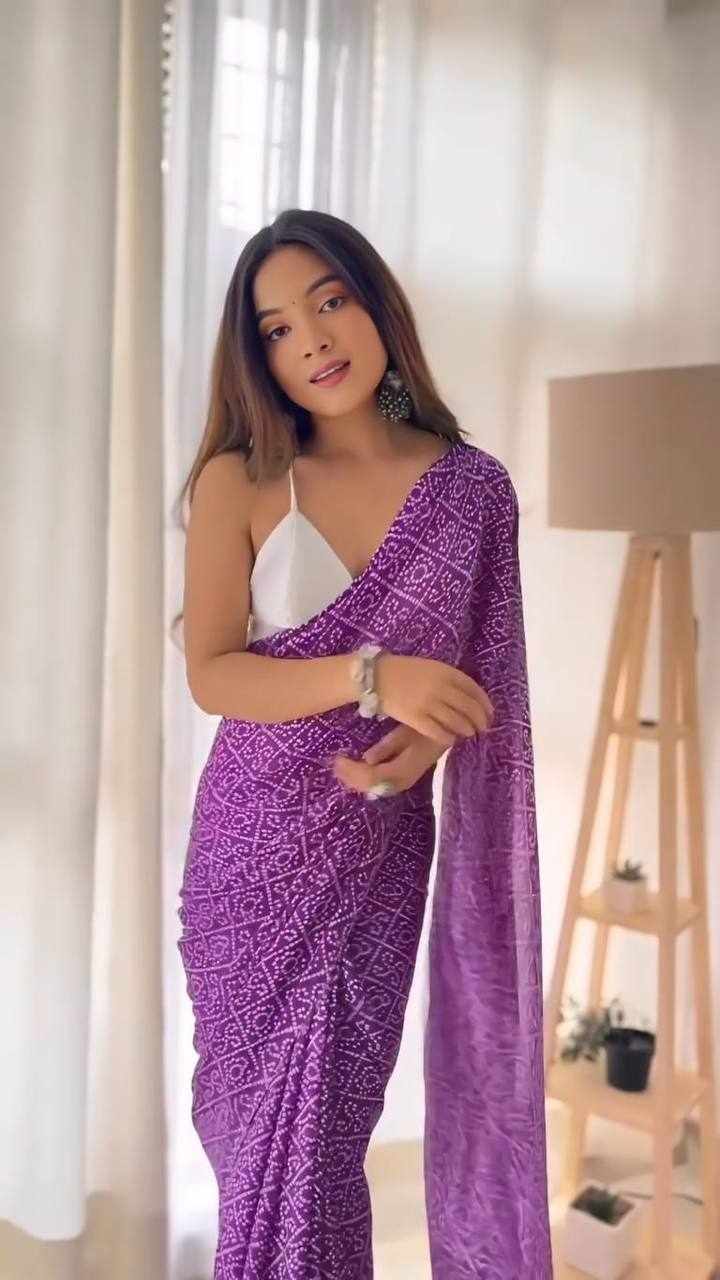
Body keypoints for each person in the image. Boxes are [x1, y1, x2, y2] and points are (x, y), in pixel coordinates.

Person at [174, 208, 553, 1279]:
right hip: (250, 853)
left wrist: (421, 742)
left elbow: (483, 683)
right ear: (259, 357)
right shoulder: (244, 477)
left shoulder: (471, 491)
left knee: (327, 1155)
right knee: (254, 1152)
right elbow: (213, 673)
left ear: (375, 304)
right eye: (278, 329)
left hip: (375, 858)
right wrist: (373, 677)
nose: (314, 340)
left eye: (330, 302)